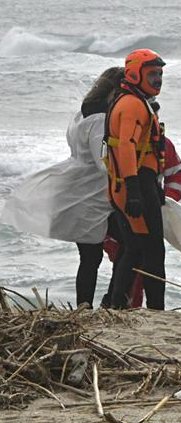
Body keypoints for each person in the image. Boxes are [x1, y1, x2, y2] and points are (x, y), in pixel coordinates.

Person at [0, 67, 124, 308]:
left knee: (92, 255)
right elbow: (102, 163)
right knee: (110, 251)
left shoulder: (81, 113)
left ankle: (89, 305)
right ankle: (102, 303)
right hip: (93, 193)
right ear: (115, 91)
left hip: (78, 187)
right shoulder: (100, 119)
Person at [105, 48, 167, 310]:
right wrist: (134, 191)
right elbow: (127, 147)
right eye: (152, 73)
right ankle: (155, 310)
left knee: (136, 247)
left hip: (139, 182)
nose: (158, 79)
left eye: (160, 74)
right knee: (151, 250)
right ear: (133, 74)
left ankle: (117, 304)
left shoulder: (136, 101)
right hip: (134, 183)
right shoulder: (131, 105)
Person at [126, 100, 181, 308]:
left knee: (149, 262)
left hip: (153, 208)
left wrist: (167, 201)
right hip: (125, 209)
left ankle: (148, 309)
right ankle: (127, 306)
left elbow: (177, 173)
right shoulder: (126, 144)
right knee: (128, 260)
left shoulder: (163, 144)